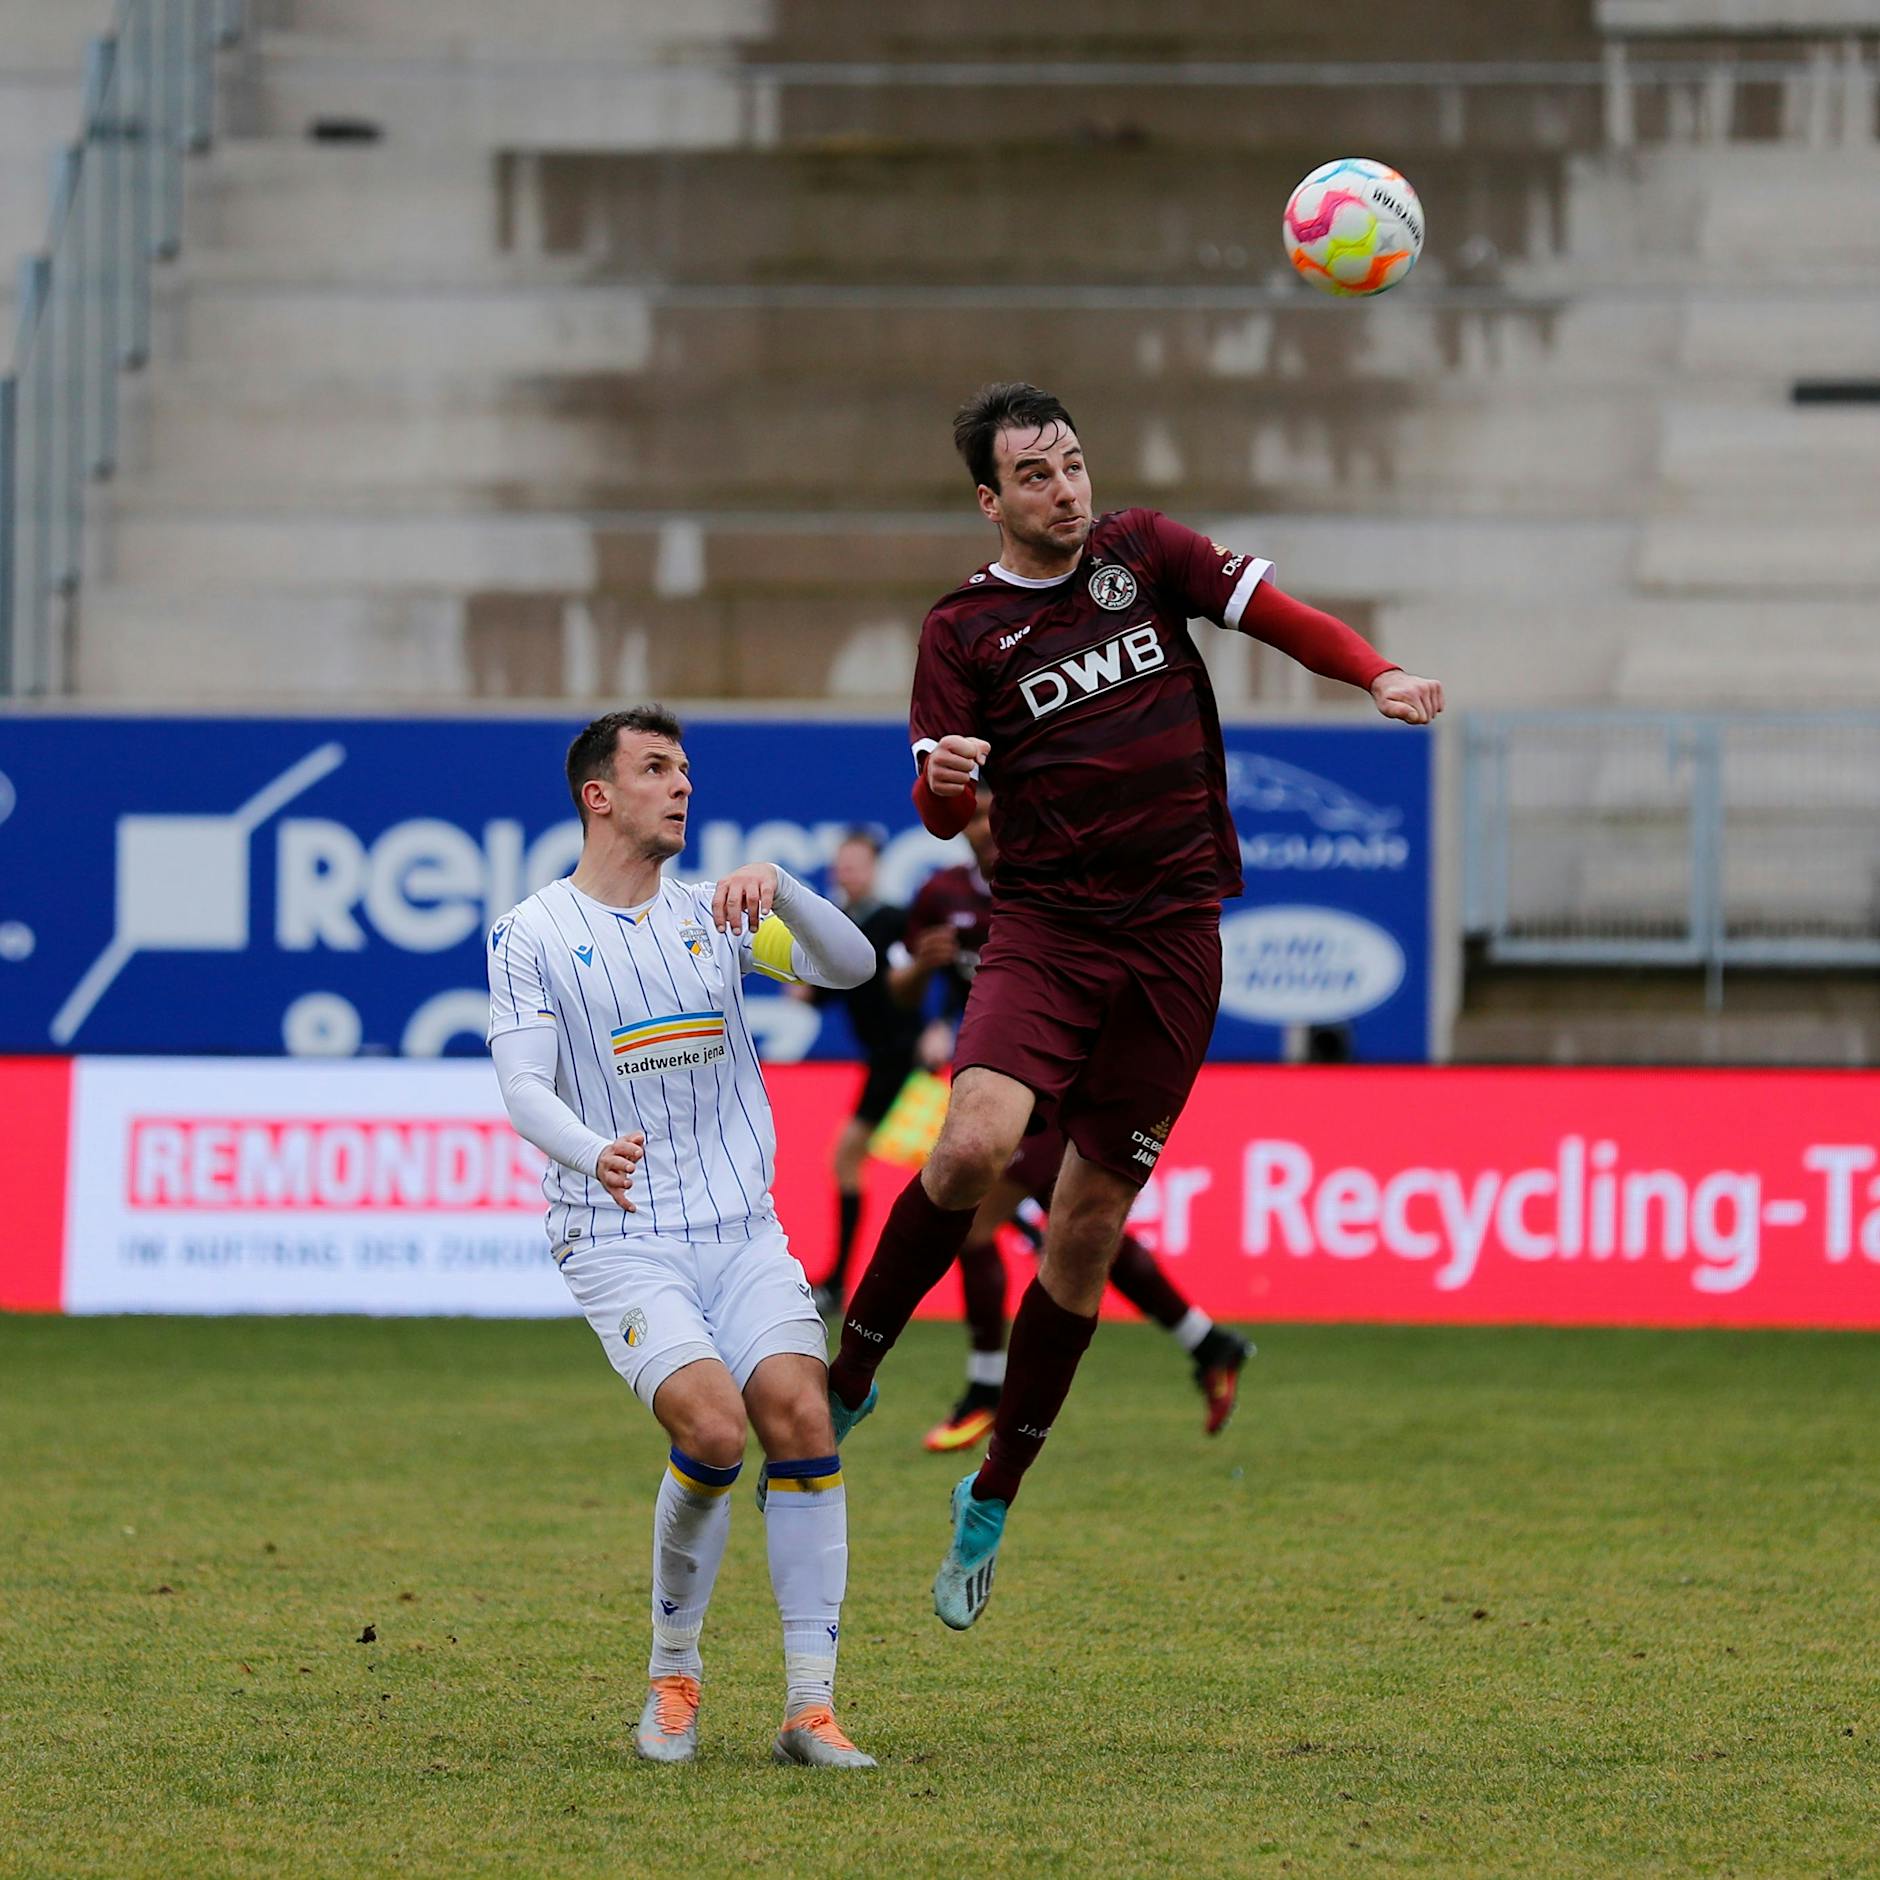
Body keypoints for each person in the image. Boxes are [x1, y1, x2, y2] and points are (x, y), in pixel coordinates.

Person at [826, 382, 1443, 1630]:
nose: (1064, 487)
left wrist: (1373, 672)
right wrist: (946, 785)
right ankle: (850, 1374)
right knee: (973, 1143)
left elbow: (1278, 617)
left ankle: (991, 1498)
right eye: (1034, 475)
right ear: (989, 501)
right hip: (1046, 932)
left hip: (1172, 941)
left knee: (1087, 1226)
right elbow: (940, 811)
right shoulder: (959, 633)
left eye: (1071, 463)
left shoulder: (1144, 554)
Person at [485, 705, 881, 1767]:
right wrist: (587, 1148)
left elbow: (853, 967)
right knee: (712, 1428)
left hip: (741, 1225)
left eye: (687, 770)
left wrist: (786, 884)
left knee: (798, 1409)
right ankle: (673, 1674)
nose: (681, 785)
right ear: (597, 794)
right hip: (617, 1233)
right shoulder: (529, 932)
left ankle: (809, 1705)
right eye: (656, 767)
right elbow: (522, 1084)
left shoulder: (717, 912)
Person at [893, 792, 1252, 1452]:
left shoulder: (1061, 885)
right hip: (990, 1090)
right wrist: (922, 966)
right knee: (1080, 1235)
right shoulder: (940, 895)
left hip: (1063, 1084)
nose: (986, 827)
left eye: (996, 812)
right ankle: (1209, 1342)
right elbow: (899, 991)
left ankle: (986, 1389)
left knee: (989, 1226)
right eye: (973, 816)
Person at [925, 1116, 1253, 1452]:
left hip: (1044, 1101)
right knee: (1089, 1230)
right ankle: (1209, 1344)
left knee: (974, 1228)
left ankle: (985, 1390)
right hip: (1064, 1103)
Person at [788, 828, 926, 1318]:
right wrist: (807, 990)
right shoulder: (839, 923)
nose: (848, 871)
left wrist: (942, 1025)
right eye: (842, 863)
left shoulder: (893, 920)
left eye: (857, 863)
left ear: (874, 869)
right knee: (949, 1165)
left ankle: (840, 1281)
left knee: (848, 1157)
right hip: (884, 1059)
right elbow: (837, 984)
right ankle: (840, 1281)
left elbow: (926, 973)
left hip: (904, 1057)